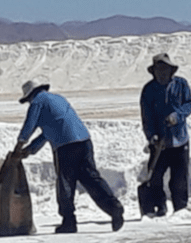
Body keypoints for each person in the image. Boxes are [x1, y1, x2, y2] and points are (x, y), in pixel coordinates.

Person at [15, 79, 124, 233]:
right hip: (84, 140)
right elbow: (48, 133)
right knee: (91, 178)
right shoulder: (58, 99)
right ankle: (114, 207)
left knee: (65, 183)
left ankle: (69, 221)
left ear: (30, 95)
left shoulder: (37, 101)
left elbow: (29, 125)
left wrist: (19, 144)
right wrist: (30, 150)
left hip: (65, 146)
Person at [139, 53, 191, 216]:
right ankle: (159, 207)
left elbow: (188, 104)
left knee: (179, 179)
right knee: (155, 177)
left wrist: (177, 116)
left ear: (171, 70)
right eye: (159, 69)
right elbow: (146, 116)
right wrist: (151, 136)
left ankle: (180, 209)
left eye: (165, 69)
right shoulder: (149, 90)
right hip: (159, 143)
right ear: (154, 71)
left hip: (179, 139)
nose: (162, 73)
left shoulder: (181, 84)